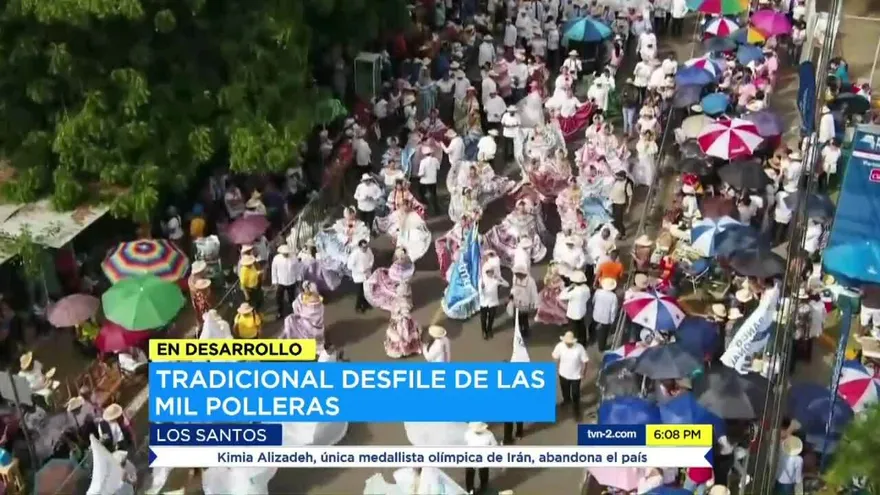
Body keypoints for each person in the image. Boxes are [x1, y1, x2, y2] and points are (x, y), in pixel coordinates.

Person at [552, 331, 589, 418]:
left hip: (576, 376)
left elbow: (585, 361)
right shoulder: (560, 346)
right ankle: (566, 401)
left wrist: (583, 372)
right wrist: (557, 368)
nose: (568, 344)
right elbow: (555, 357)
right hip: (563, 374)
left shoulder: (579, 348)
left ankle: (576, 410)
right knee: (565, 391)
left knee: (575, 394)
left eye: (570, 343)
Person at [464, 422, 497, 494]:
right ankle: (471, 490)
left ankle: (483, 489)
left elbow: (494, 446)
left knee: (483, 474)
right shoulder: (468, 433)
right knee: (470, 474)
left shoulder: (489, 434)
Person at [559, 271, 591, 344]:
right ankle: (583, 342)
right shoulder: (586, 288)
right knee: (582, 328)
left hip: (573, 314)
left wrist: (568, 288)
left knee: (574, 329)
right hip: (582, 311)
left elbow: (561, 296)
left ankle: (576, 342)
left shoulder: (573, 291)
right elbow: (588, 297)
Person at [510, 264, 539, 339]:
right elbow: (514, 287)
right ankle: (518, 330)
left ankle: (525, 330)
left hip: (525, 303)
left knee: (524, 317)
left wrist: (535, 304)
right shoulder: (515, 278)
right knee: (516, 318)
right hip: (516, 302)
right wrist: (511, 295)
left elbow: (534, 293)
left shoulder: (530, 281)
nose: (516, 275)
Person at [479, 265, 509, 339]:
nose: (491, 273)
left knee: (491, 317)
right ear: (486, 272)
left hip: (493, 302)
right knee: (483, 318)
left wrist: (499, 278)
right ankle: (484, 331)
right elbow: (480, 293)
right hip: (484, 303)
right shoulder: (482, 280)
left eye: (492, 272)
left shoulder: (495, 280)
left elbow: (507, 284)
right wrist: (482, 288)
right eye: (489, 272)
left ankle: (489, 329)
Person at [347, 239, 375, 313]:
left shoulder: (368, 250)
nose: (365, 248)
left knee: (366, 290)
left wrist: (369, 266)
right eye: (364, 247)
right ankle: (358, 306)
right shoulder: (355, 254)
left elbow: (372, 258)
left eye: (366, 246)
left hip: (367, 274)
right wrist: (360, 270)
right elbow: (350, 266)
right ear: (359, 247)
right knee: (360, 292)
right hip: (358, 276)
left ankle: (365, 304)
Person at [271, 245, 299, 319]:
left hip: (291, 281)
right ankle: (280, 312)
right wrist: (275, 282)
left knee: (292, 297)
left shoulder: (294, 258)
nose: (286, 254)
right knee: (279, 298)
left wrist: (298, 279)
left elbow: (297, 270)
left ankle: (294, 311)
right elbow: (274, 270)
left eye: (287, 253)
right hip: (281, 282)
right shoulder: (276, 259)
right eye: (284, 253)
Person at [592, 278, 619, 351]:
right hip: (606, 318)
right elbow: (614, 310)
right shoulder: (613, 296)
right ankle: (601, 347)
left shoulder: (597, 292)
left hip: (596, 314)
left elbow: (593, 301)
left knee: (596, 329)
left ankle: (594, 339)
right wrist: (612, 320)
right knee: (604, 334)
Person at [417, 146, 441, 214]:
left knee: (421, 194)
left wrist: (417, 175)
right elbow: (438, 168)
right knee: (433, 195)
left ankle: (424, 207)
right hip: (433, 180)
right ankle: (437, 210)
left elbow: (421, 173)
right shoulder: (435, 160)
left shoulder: (423, 162)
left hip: (424, 181)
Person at [610, 171, 633, 236]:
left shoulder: (627, 184)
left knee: (619, 220)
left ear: (623, 177)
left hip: (620, 204)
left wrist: (628, 207)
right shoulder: (617, 180)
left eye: (619, 177)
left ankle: (622, 233)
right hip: (614, 202)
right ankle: (617, 230)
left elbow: (630, 195)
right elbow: (612, 174)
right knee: (614, 218)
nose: (617, 177)